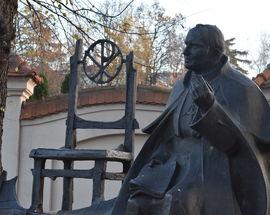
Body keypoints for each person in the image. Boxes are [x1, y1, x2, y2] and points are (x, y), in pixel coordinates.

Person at [111, 24, 270, 215]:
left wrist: (210, 108)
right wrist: (157, 158)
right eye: (186, 45)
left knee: (177, 203)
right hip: (172, 167)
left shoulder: (241, 88)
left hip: (213, 171)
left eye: (193, 46)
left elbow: (238, 148)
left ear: (214, 51)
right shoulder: (181, 86)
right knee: (136, 201)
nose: (185, 51)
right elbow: (167, 136)